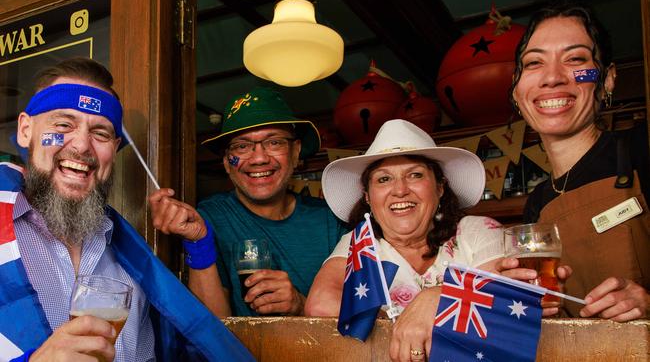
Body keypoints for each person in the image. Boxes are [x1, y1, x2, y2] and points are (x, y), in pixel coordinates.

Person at [1, 57, 252, 362]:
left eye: (101, 133)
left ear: (115, 148)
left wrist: (199, 245)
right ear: (26, 130)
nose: (81, 145)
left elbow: (210, 342)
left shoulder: (130, 260)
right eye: (64, 124)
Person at [304, 119, 505, 362]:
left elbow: (503, 298)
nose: (400, 190)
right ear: (367, 196)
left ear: (440, 187)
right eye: (384, 179)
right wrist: (407, 320)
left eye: (415, 175)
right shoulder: (359, 243)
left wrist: (436, 297)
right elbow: (320, 305)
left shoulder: (480, 230)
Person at [149, 86, 348, 317]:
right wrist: (198, 242)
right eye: (242, 146)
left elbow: (365, 317)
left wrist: (301, 305)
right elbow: (214, 328)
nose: (259, 158)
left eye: (274, 142)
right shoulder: (212, 217)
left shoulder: (331, 220)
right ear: (226, 162)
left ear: (296, 152)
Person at [508, 3, 650, 321]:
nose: (552, 77)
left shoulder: (643, 149)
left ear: (607, 79)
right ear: (518, 91)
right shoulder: (537, 203)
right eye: (533, 63)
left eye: (575, 59)